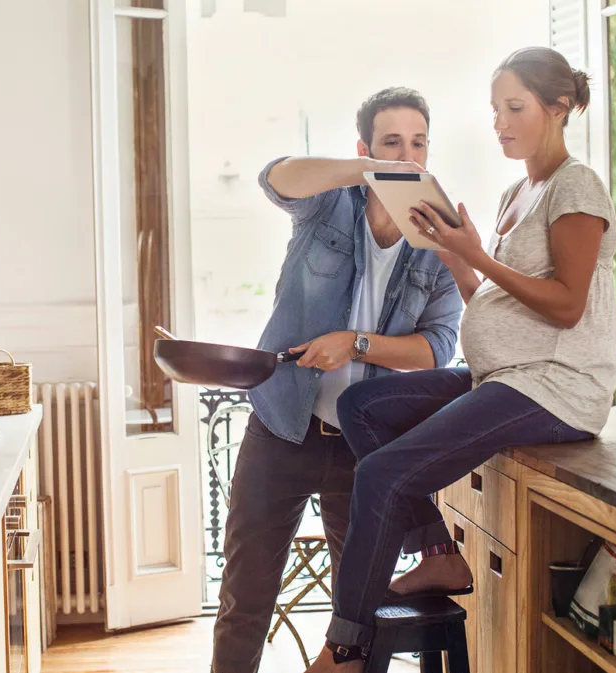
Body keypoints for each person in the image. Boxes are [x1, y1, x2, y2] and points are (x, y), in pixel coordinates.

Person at [305, 47, 616, 672]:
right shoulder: (516, 191)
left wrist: (475, 254)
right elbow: (495, 302)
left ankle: (345, 650)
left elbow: (565, 307)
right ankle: (438, 553)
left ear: (557, 109)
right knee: (361, 405)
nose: (500, 123)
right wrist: (455, 256)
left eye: (515, 108)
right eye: (494, 110)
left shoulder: (575, 186)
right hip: (504, 376)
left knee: (380, 474)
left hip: (556, 387)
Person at [210, 88, 463, 673]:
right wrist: (370, 173)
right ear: (364, 148)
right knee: (245, 596)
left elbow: (438, 350)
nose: (408, 156)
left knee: (361, 609)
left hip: (366, 449)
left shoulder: (438, 242)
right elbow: (276, 178)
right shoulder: (330, 205)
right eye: (391, 143)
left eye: (418, 144)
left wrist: (357, 344)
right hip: (281, 430)